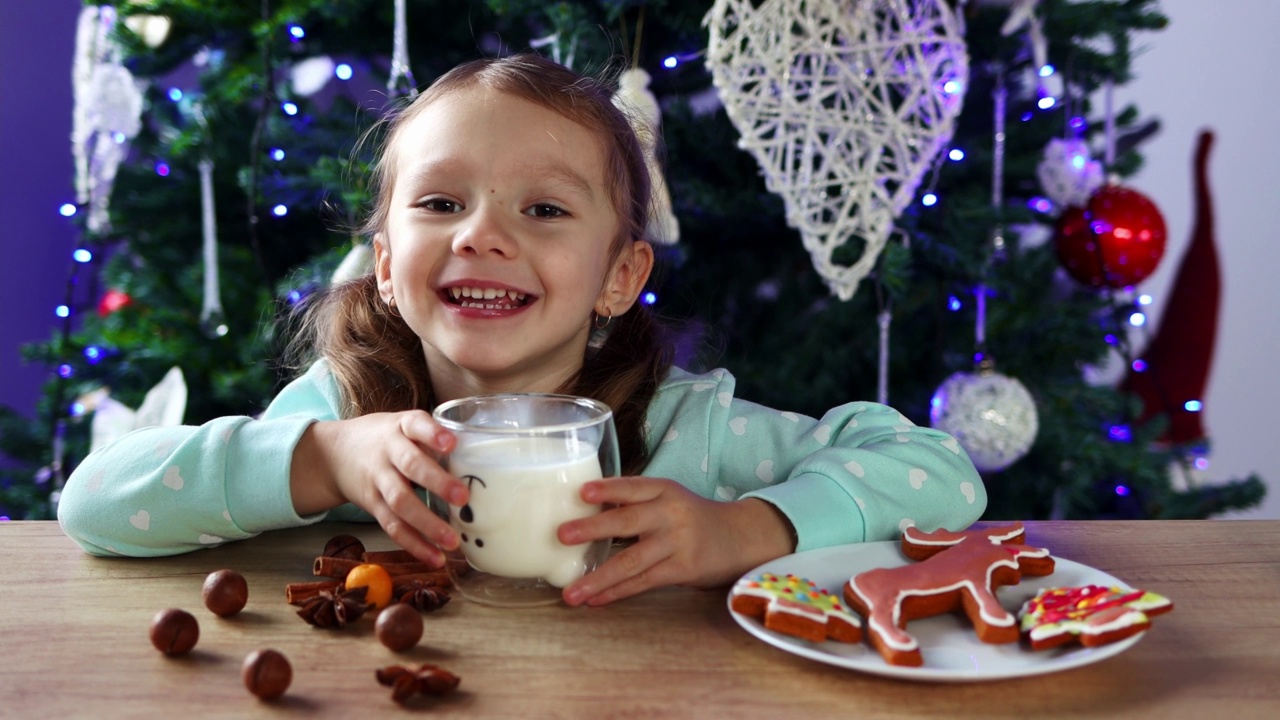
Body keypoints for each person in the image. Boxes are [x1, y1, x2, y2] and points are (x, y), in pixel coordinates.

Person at [58, 53, 987, 607]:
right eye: (440, 202)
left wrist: (750, 528)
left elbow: (937, 473)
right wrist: (322, 461)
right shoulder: (348, 413)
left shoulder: (684, 434)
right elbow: (96, 502)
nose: (482, 234)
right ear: (385, 264)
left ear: (620, 277)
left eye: (543, 209)